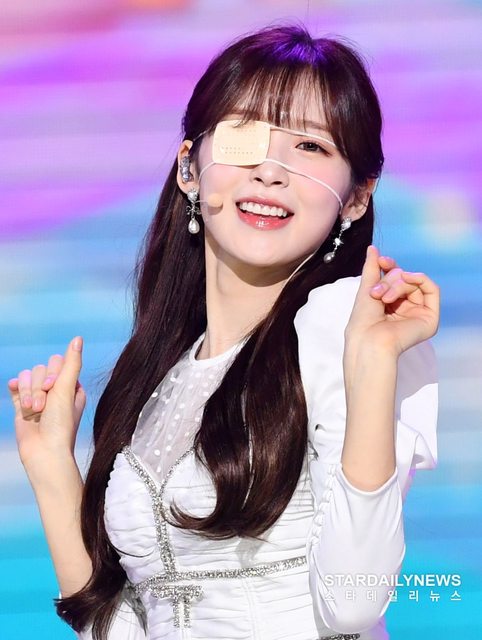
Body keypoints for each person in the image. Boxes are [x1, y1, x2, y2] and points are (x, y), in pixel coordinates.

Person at [8, 24, 439, 640]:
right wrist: (51, 463)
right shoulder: (161, 378)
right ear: (190, 167)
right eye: (244, 135)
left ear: (355, 199)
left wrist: (369, 361)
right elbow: (125, 628)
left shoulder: (346, 328)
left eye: (310, 146)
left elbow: (353, 602)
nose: (270, 171)